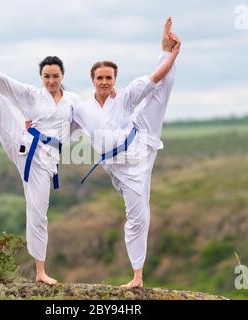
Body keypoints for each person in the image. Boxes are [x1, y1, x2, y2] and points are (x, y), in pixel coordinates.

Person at [0, 27, 79, 285]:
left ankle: (40, 272)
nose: (51, 81)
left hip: (44, 162)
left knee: (38, 213)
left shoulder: (73, 101)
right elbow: (5, 82)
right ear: (41, 76)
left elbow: (87, 122)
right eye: (46, 76)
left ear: (63, 76)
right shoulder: (32, 94)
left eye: (55, 76)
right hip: (24, 145)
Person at [71, 17, 180, 288]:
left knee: (138, 216)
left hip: (140, 145)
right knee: (133, 212)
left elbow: (156, 76)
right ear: (93, 80)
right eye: (100, 78)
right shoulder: (82, 110)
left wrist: (171, 53)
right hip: (116, 166)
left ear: (115, 79)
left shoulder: (126, 96)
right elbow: (59, 127)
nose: (105, 82)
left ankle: (137, 277)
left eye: (109, 77)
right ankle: (136, 274)